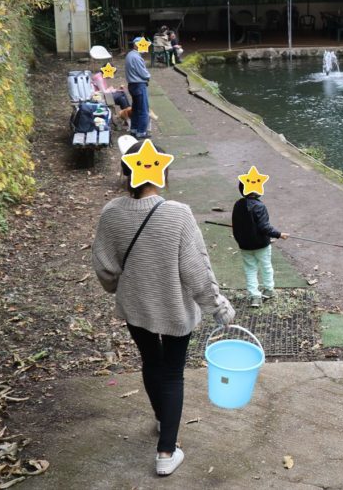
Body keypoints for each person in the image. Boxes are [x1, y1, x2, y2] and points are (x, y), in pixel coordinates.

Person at [92, 139, 235, 477]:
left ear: (127, 173)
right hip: (174, 307)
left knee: (151, 362)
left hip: (135, 305)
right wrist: (217, 306)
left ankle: (161, 418)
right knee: (172, 372)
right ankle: (166, 451)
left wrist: (117, 287)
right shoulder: (178, 215)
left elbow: (103, 265)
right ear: (162, 172)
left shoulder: (112, 213)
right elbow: (196, 270)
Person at [231, 166, 289, 308]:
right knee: (266, 267)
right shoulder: (260, 207)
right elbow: (264, 227)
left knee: (250, 269)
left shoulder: (238, 205)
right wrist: (279, 234)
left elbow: (236, 225)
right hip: (261, 245)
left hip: (245, 245)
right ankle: (268, 289)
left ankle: (254, 297)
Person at [125, 37, 152, 138]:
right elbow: (144, 73)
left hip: (132, 85)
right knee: (144, 110)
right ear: (137, 45)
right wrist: (148, 76)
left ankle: (134, 129)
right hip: (139, 85)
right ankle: (141, 132)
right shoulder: (136, 57)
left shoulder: (130, 55)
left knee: (136, 109)